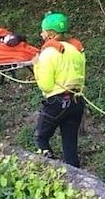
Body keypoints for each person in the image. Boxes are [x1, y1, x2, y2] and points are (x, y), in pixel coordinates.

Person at [33, 12, 86, 168]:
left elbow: (46, 85)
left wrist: (36, 65)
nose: (41, 34)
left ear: (51, 34)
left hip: (56, 102)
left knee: (40, 138)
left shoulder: (48, 53)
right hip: (77, 101)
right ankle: (75, 175)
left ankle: (50, 170)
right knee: (70, 142)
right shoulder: (77, 50)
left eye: (43, 31)